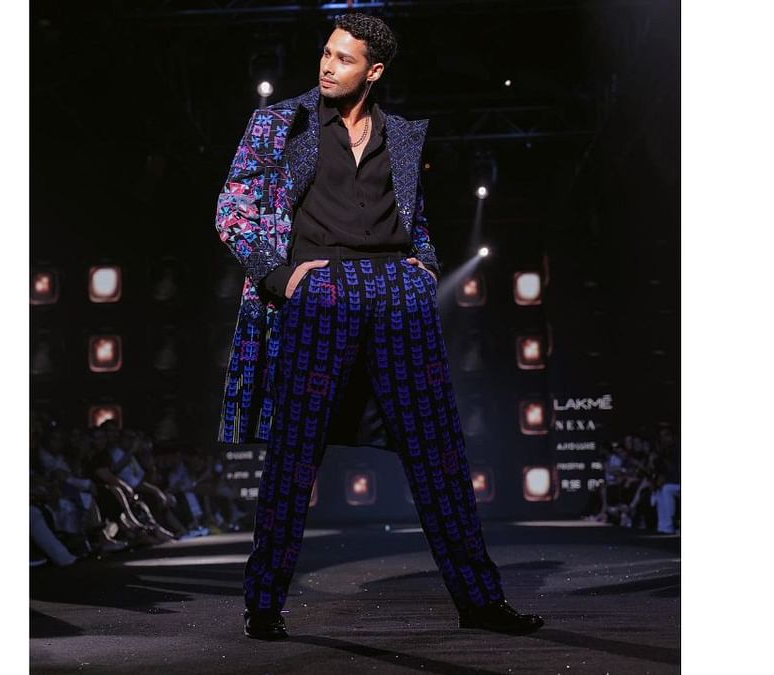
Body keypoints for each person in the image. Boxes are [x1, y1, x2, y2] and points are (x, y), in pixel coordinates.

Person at [213, 12, 543, 640]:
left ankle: (480, 600)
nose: (326, 65)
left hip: (398, 293)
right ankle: (263, 606)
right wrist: (278, 276)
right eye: (326, 53)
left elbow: (412, 217)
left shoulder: (404, 135)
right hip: (321, 291)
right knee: (293, 457)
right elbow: (233, 207)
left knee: (440, 454)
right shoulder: (280, 122)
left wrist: (425, 266)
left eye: (343, 58)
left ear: (375, 70)